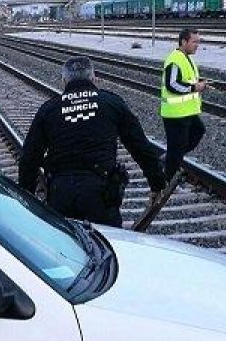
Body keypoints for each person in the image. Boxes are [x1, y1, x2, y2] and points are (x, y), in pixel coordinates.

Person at [18, 56, 165, 229]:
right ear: (93, 78)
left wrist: (26, 196)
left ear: (64, 81)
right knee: (108, 246)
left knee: (63, 249)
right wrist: (157, 184)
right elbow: (140, 147)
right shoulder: (111, 103)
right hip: (100, 194)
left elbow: (29, 158)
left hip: (61, 193)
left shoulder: (49, 109)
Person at [161, 28, 208, 182]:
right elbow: (172, 85)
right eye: (194, 42)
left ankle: (170, 158)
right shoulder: (175, 59)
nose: (197, 45)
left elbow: (186, 80)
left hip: (186, 111)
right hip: (175, 114)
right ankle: (167, 181)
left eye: (198, 42)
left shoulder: (187, 58)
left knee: (198, 131)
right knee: (176, 149)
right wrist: (195, 87)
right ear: (184, 42)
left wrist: (199, 82)